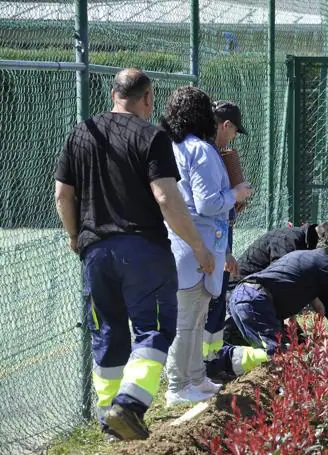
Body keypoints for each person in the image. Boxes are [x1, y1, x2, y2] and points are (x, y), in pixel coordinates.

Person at [54, 69, 214, 440]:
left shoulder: (81, 133)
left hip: (95, 252)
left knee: (108, 331)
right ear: (147, 98)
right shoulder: (152, 135)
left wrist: (75, 235)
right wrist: (197, 245)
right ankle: (129, 405)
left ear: (113, 94)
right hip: (144, 251)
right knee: (154, 328)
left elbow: (63, 194)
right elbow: (166, 198)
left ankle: (109, 423)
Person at [160, 87, 253, 407]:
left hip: (186, 243)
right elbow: (207, 203)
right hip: (196, 245)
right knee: (188, 319)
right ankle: (178, 385)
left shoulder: (176, 146)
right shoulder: (199, 150)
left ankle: (195, 377)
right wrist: (236, 194)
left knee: (195, 316)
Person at [212, 221, 328, 376]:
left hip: (252, 298)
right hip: (250, 297)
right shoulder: (297, 244)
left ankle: (218, 361)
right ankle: (216, 361)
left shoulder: (313, 257)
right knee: (278, 355)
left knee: (286, 350)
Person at [202, 100, 251, 368]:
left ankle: (211, 359)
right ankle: (204, 364)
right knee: (210, 300)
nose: (233, 138)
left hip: (218, 236)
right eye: (233, 131)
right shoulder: (207, 154)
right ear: (226, 125)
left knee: (216, 298)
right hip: (211, 239)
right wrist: (236, 194)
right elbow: (207, 205)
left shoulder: (212, 153)